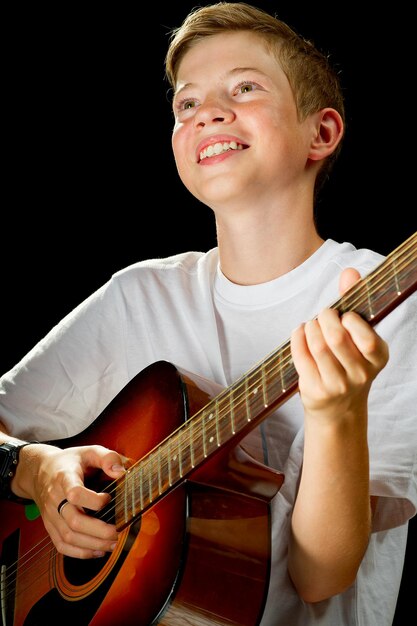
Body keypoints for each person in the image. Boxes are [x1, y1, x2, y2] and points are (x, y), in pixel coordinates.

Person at [0, 2, 416, 625]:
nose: (208, 112)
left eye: (245, 88)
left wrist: (338, 413)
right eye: (186, 104)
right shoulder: (140, 296)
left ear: (321, 134)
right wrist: (35, 469)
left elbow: (319, 577)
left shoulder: (390, 309)